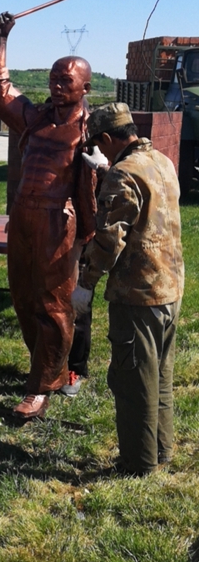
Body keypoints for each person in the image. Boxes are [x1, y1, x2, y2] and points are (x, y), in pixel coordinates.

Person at [0, 12, 97, 421]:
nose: (57, 86)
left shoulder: (88, 129)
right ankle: (48, 367)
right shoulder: (37, 117)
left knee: (54, 304)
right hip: (24, 219)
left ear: (86, 86)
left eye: (66, 81)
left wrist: (89, 233)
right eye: (53, 79)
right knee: (23, 299)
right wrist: (0, 39)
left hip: (57, 224)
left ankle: (40, 388)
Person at [73, 102, 184, 474]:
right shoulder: (161, 161)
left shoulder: (123, 174)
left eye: (100, 145)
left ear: (107, 138)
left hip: (137, 295)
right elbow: (144, 200)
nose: (100, 151)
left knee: (134, 379)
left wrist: (85, 284)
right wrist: (106, 170)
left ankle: (138, 463)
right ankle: (161, 451)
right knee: (160, 377)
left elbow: (109, 239)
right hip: (170, 289)